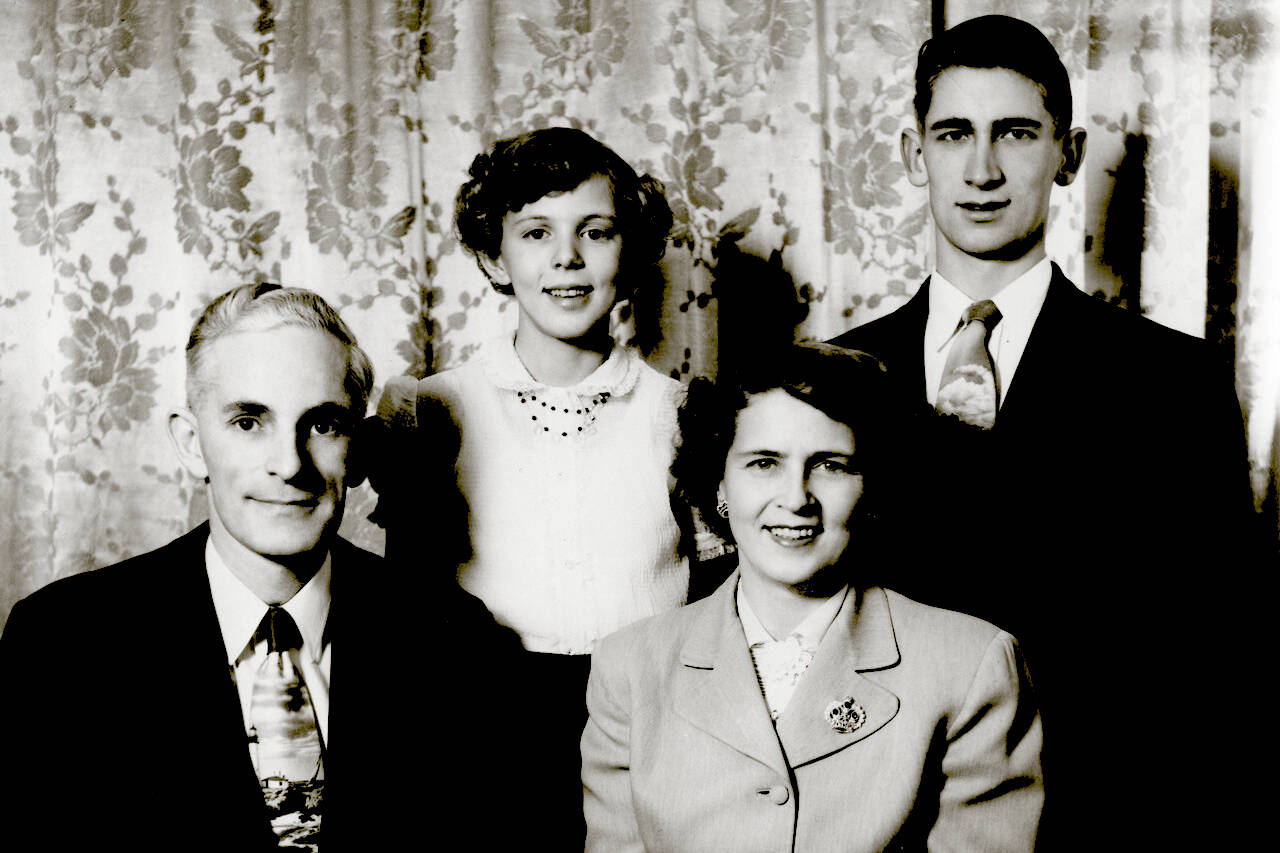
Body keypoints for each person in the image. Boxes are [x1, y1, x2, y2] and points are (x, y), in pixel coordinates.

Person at [828, 15, 1256, 849]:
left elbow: (1227, 656)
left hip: (1100, 817)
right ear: (915, 156)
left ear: (1067, 153)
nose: (982, 170)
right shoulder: (834, 376)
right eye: (953, 134)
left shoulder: (1174, 382)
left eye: (1015, 133)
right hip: (874, 820)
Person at [0, 284, 516, 851]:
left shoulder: (457, 641)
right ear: (192, 444)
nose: (290, 464)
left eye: (322, 424)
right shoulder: (61, 641)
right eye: (249, 422)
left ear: (359, 451)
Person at [582, 342, 1043, 852]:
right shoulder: (629, 665)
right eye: (764, 463)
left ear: (873, 487)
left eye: (830, 465)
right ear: (719, 483)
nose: (797, 498)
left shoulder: (971, 662)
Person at [370, 126, 687, 847]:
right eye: (536, 231)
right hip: (477, 736)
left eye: (595, 232)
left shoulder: (679, 415)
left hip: (649, 727)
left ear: (629, 249)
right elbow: (401, 605)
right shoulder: (431, 409)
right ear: (494, 255)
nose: (567, 258)